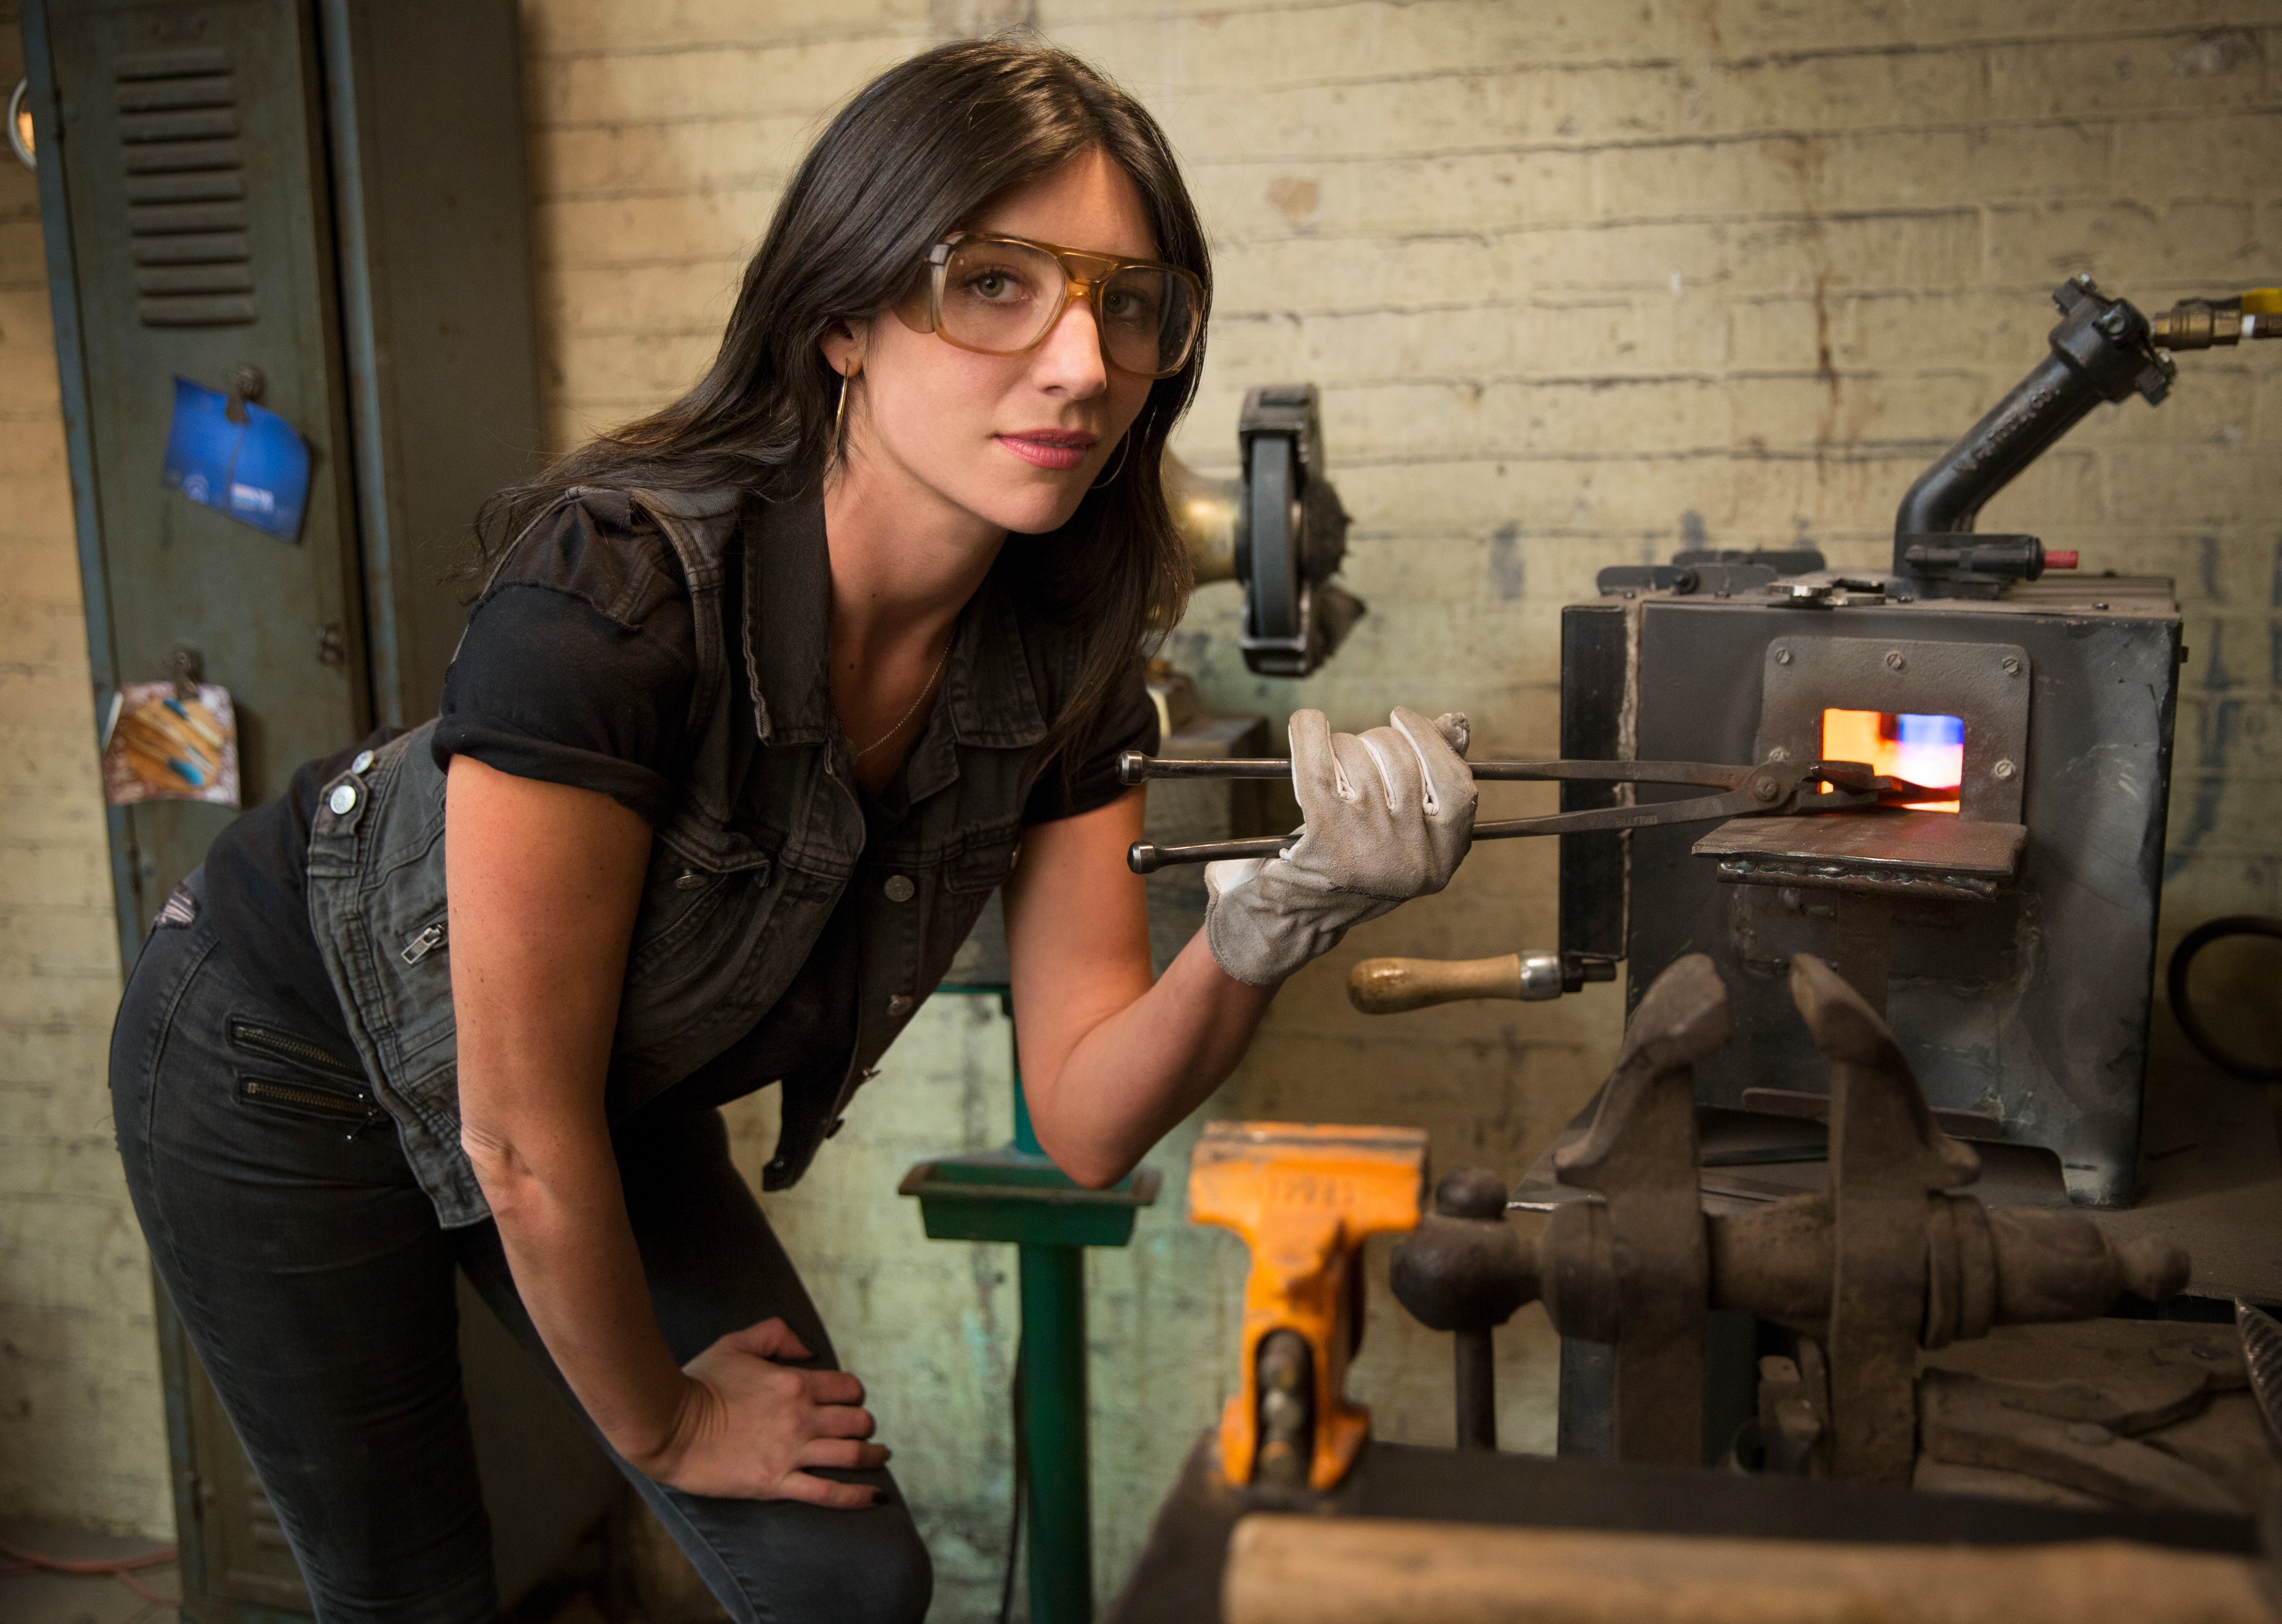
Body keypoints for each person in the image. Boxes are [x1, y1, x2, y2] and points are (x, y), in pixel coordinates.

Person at [107, 38, 1474, 1624]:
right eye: (995, 285)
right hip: (283, 1053)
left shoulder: (1069, 660)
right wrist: (671, 1415)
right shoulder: (613, 596)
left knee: (844, 1578)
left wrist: (1264, 930)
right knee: (411, 1587)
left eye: (1130, 302)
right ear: (842, 319)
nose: (1083, 364)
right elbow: (514, 1135)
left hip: (587, 1098)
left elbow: (1089, 1115)